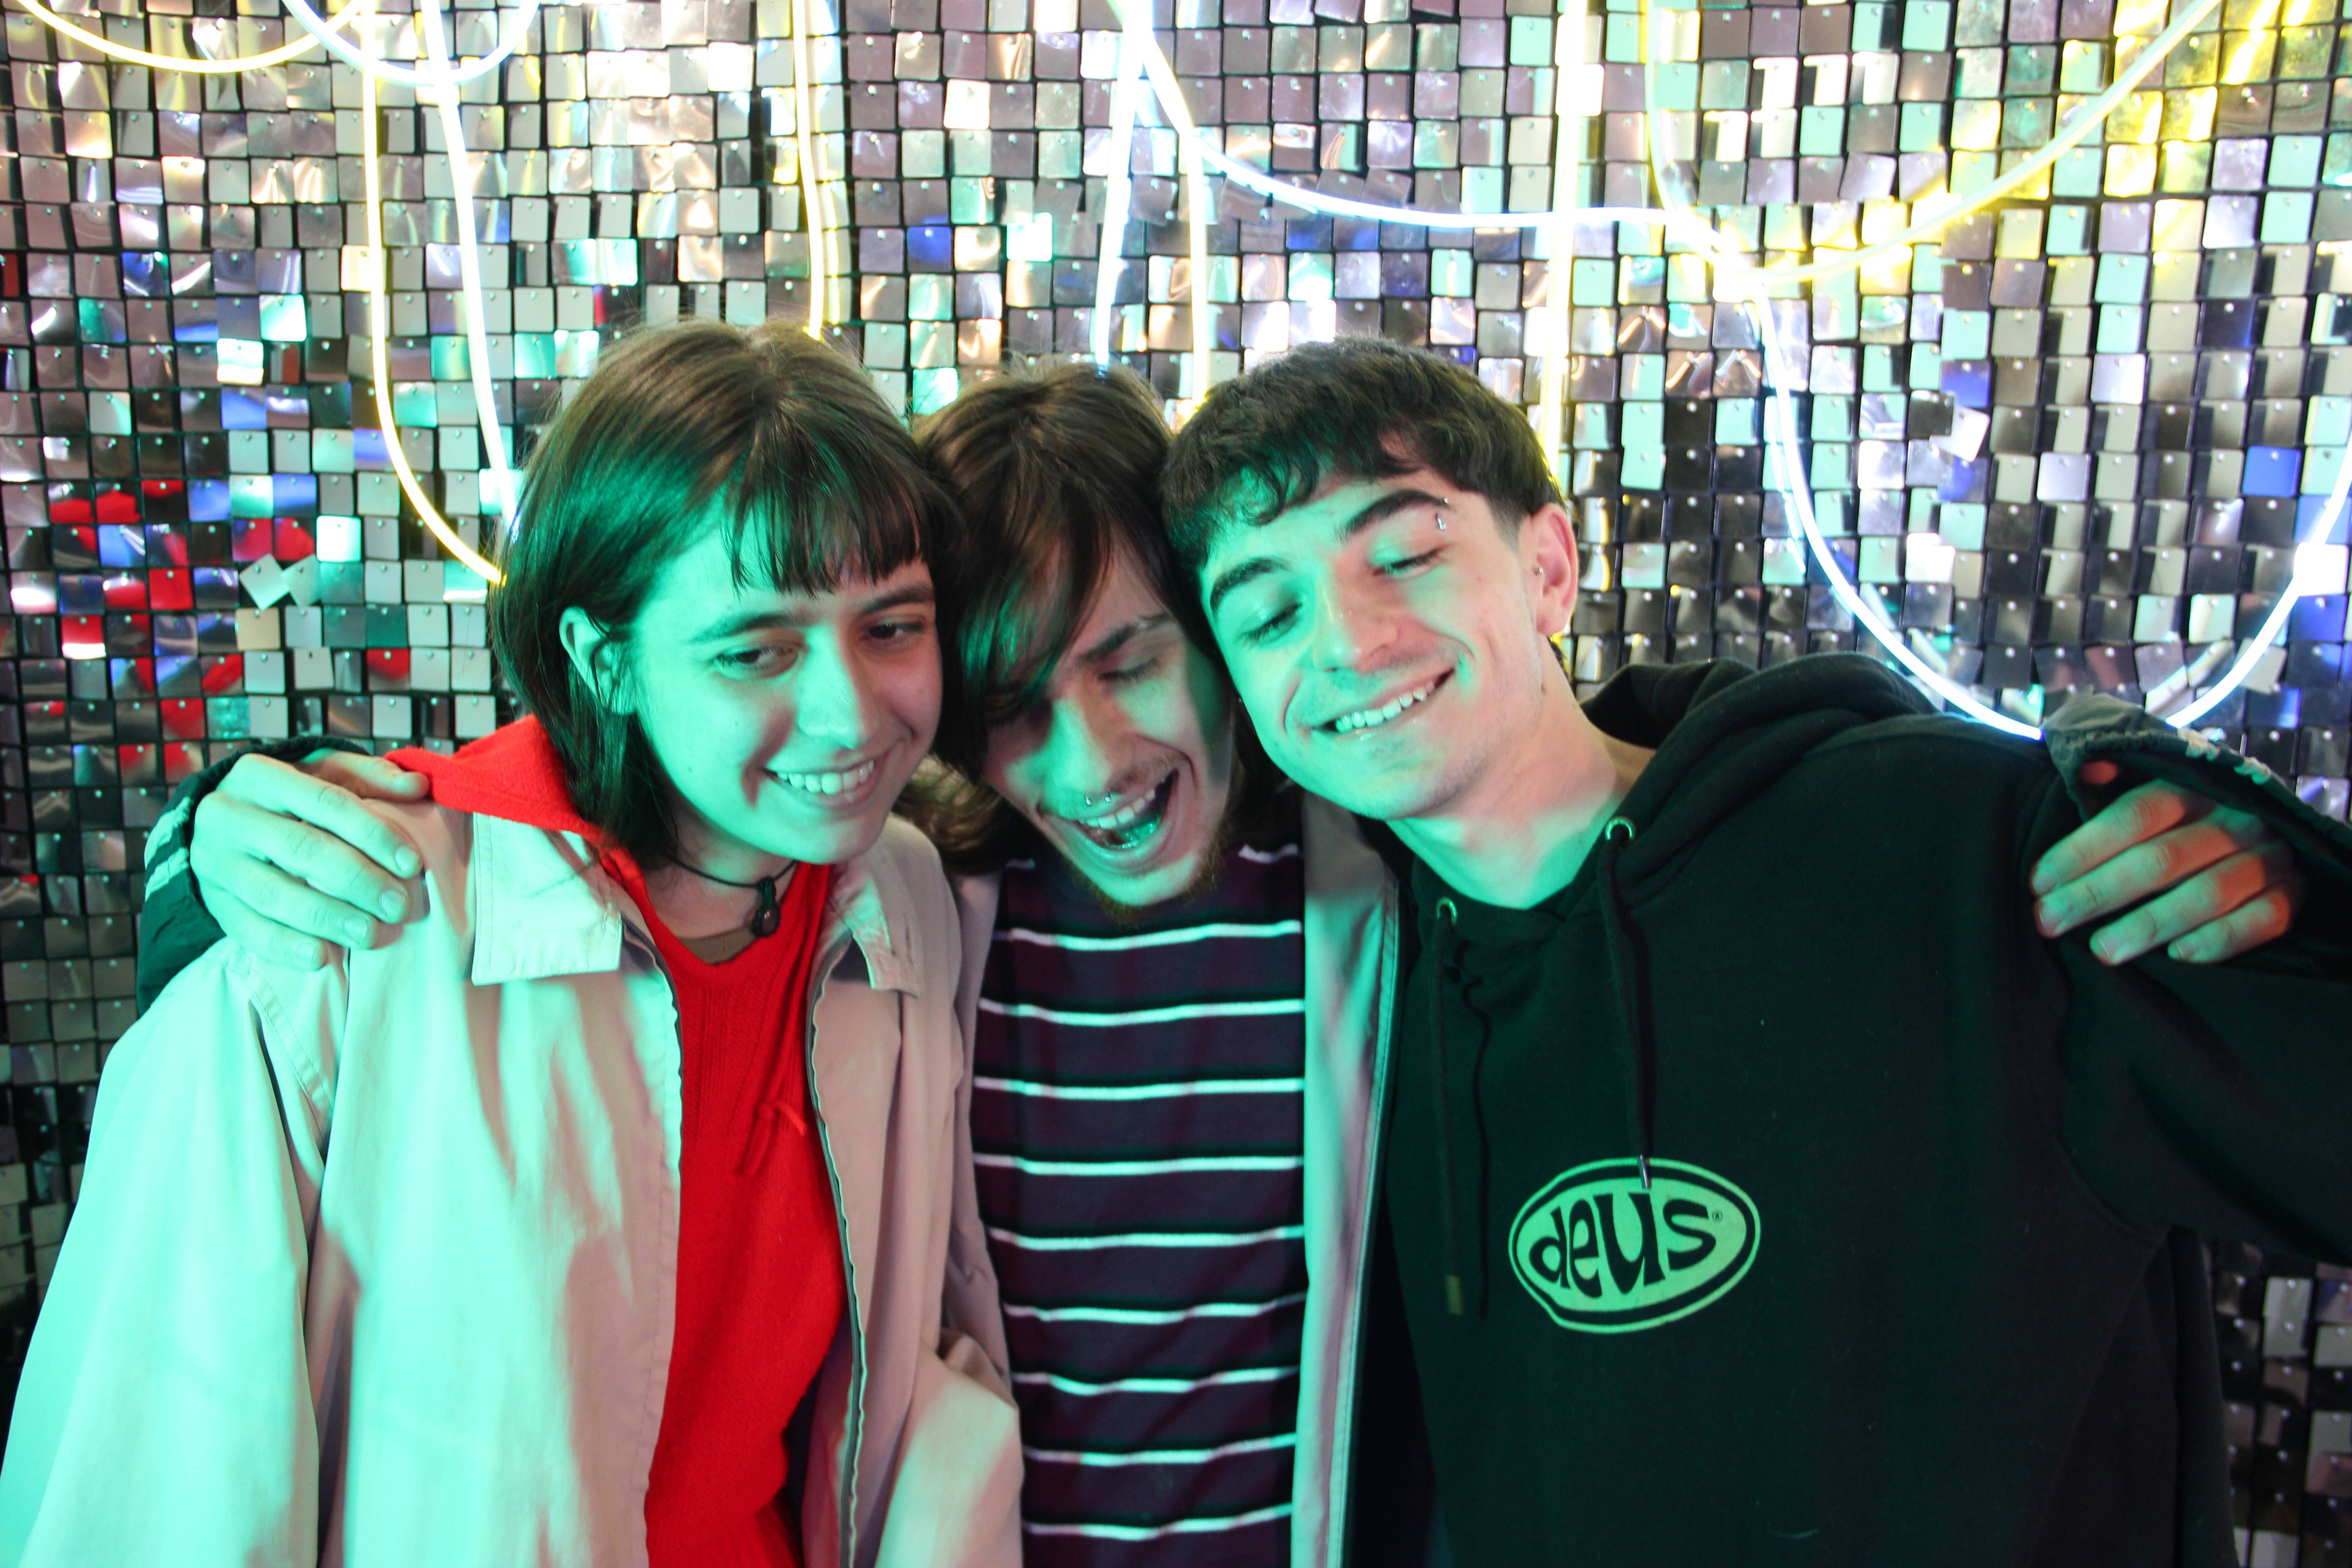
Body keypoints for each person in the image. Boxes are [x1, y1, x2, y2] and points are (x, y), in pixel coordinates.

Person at [140, 359, 2310, 1566]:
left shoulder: (1388, 897)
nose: (1089, 764)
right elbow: (598, 878)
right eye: (1008, 705)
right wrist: (207, 851)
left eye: (1137, 659)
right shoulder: (910, 923)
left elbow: (1623, 803)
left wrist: (2124, 788)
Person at [1163, 336, 2352, 1562]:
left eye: (1407, 554)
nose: (1347, 642)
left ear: (1548, 568)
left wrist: (2308, 897)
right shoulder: (1366, 989)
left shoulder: (1956, 847)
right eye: (1268, 613)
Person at [0, 320, 1022, 1568]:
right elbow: (157, 1480)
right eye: (757, 649)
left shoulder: (899, 901)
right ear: (604, 660)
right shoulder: (336, 922)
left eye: (893, 628)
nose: (850, 713)